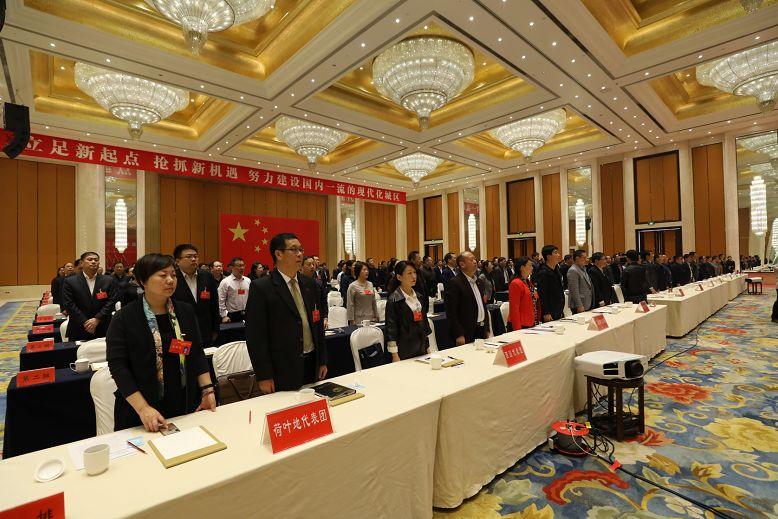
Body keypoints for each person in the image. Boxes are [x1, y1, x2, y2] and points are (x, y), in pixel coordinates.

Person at [106, 253, 215, 432]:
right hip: (141, 409)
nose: (170, 280)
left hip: (184, 402)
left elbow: (196, 353)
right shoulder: (124, 317)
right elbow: (118, 367)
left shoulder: (185, 311)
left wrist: (207, 389)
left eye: (173, 275)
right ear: (143, 281)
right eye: (163, 275)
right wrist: (143, 408)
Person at [245, 233, 327, 393]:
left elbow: (317, 326)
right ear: (278, 254)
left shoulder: (309, 284)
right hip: (282, 368)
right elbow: (256, 337)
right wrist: (264, 375)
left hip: (312, 363)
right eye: (294, 250)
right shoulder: (262, 287)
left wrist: (322, 360)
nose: (300, 254)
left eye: (301, 249)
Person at [61, 251, 118, 340]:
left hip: (103, 326)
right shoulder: (70, 281)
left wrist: (97, 319)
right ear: (81, 263)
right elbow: (69, 304)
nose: (93, 262)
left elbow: (111, 301)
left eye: (96, 260)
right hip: (79, 327)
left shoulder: (108, 280)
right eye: (90, 259)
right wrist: (86, 322)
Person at [172, 244, 220, 347]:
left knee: (207, 356)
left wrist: (216, 329)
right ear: (177, 261)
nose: (193, 259)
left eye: (195, 256)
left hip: (205, 332)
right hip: (182, 333)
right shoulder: (172, 278)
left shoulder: (207, 276)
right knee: (184, 357)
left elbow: (214, 304)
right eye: (189, 256)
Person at [385, 261, 431, 361]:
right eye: (409, 273)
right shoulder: (393, 300)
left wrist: (427, 348)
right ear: (399, 277)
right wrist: (395, 355)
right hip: (404, 350)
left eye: (414, 272)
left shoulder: (419, 296)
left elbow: (424, 324)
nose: (414, 276)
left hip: (421, 348)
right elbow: (391, 329)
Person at [445, 251, 491, 345]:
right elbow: (451, 311)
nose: (475, 261)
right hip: (466, 332)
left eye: (475, 259)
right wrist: (458, 334)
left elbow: (482, 305)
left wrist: (487, 328)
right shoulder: (455, 283)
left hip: (481, 329)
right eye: (471, 259)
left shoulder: (478, 281)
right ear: (462, 264)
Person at [534, 245, 565, 322]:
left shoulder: (556, 269)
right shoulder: (543, 273)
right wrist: (546, 312)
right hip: (550, 311)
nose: (558, 255)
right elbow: (542, 294)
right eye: (555, 253)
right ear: (548, 256)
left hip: (558, 308)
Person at [508, 257, 539, 329]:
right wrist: (517, 329)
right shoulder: (515, 283)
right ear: (522, 267)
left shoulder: (527, 281)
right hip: (521, 324)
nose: (532, 268)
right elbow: (514, 308)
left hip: (531, 321)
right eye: (530, 265)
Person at [217, 257, 251, 322]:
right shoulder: (225, 282)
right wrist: (224, 315)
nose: (242, 268)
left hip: (247, 314)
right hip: (232, 315)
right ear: (232, 267)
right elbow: (221, 300)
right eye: (239, 266)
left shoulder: (248, 280)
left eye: (243, 265)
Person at [346, 261, 379, 325]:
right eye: (364, 269)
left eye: (367, 270)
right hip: (359, 319)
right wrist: (351, 320)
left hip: (371, 318)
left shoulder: (370, 284)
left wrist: (376, 315)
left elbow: (373, 301)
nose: (367, 272)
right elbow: (350, 304)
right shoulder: (353, 286)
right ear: (358, 271)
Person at [302, 256, 328, 330]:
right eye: (309, 264)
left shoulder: (319, 283)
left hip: (317, 318)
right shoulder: (298, 284)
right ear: (301, 267)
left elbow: (324, 302)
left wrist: (325, 318)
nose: (312, 267)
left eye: (313, 264)